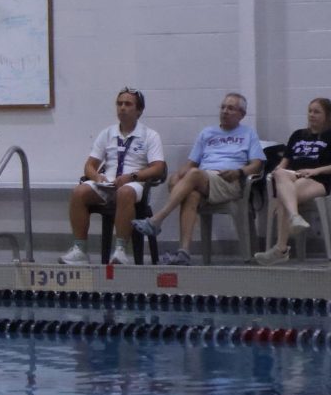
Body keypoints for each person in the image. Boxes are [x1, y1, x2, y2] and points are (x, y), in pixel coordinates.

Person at [133, 93, 265, 265]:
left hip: (229, 181)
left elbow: (257, 165)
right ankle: (184, 253)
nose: (225, 111)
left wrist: (239, 172)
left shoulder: (248, 133)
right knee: (191, 194)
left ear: (242, 114)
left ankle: (157, 220)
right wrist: (178, 176)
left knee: (194, 175)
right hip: (203, 181)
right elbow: (190, 164)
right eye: (223, 107)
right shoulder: (207, 133)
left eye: (230, 108)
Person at [60, 87, 166, 266]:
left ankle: (120, 250)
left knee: (124, 192)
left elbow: (158, 168)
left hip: (134, 184)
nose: (122, 108)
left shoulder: (150, 135)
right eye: (119, 104)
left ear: (139, 111)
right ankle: (80, 250)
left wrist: (133, 176)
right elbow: (89, 165)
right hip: (108, 184)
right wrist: (97, 177)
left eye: (128, 104)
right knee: (79, 192)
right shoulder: (107, 133)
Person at [254, 97, 331, 265]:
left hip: (318, 178)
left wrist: (315, 170)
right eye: (310, 111)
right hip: (293, 175)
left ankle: (280, 249)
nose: (311, 115)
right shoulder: (298, 135)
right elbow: (285, 162)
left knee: (284, 195)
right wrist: (276, 170)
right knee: (280, 174)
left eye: (317, 112)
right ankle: (295, 217)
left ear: (327, 115)